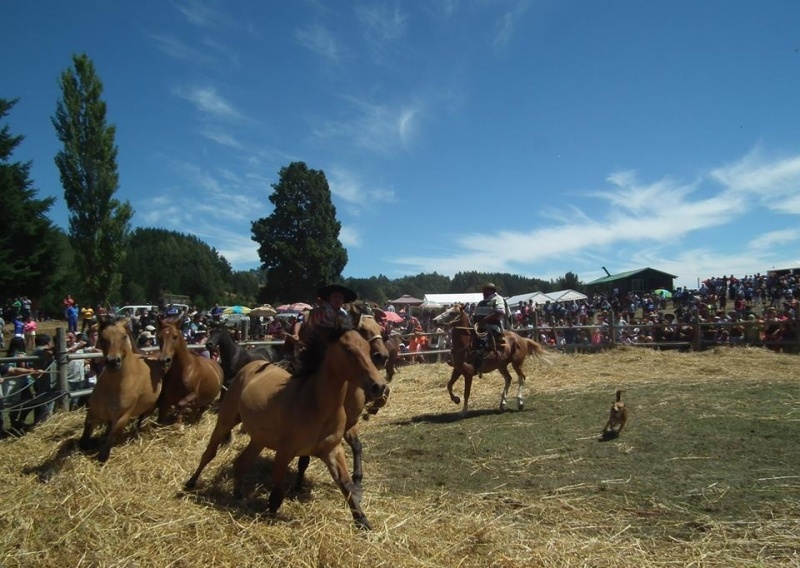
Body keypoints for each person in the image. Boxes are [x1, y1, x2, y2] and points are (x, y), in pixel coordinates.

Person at [473, 283, 508, 351]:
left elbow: (500, 312)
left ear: (492, 290)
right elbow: (476, 315)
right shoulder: (481, 302)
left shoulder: (498, 299)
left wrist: (485, 320)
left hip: (492, 327)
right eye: (483, 290)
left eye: (485, 290)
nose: (483, 292)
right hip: (479, 327)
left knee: (484, 343)